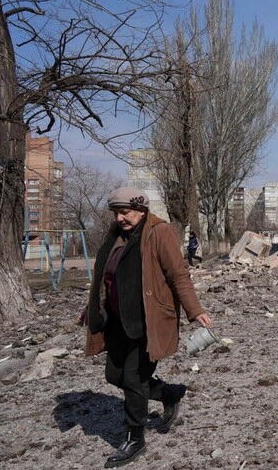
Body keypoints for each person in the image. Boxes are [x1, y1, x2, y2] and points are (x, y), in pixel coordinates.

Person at [83, 187, 213, 468]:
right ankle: (168, 393)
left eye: (125, 212)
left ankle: (134, 438)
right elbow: (105, 276)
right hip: (118, 321)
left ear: (141, 210)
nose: (120, 218)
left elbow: (178, 274)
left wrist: (195, 310)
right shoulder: (116, 235)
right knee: (114, 375)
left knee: (133, 378)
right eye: (116, 213)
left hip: (147, 320)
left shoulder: (159, 232)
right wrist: (93, 310)